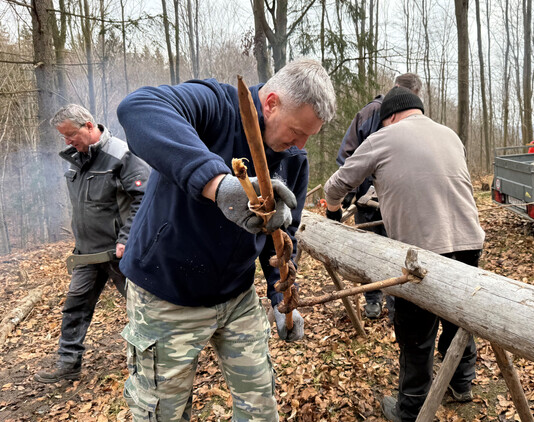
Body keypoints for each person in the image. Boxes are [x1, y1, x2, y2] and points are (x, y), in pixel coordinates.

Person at [116, 59, 336, 421]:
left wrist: (282, 295)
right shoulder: (216, 106)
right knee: (161, 414)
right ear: (271, 104)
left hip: (236, 296)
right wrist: (217, 185)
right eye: (297, 131)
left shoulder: (293, 158)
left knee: (260, 406)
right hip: (167, 294)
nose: (300, 144)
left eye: (309, 136)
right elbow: (137, 108)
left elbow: (282, 234)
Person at [324, 87, 485, 422]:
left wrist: (333, 214)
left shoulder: (384, 137)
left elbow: (334, 186)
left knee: (415, 334)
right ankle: (462, 384)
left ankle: (410, 410)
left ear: (391, 117)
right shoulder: (450, 135)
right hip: (470, 241)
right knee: (458, 317)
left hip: (421, 251)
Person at [35, 104, 150, 383]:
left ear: (89, 125)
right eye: (63, 137)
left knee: (143, 309)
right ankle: (68, 364)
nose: (67, 142)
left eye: (70, 134)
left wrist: (126, 238)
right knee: (75, 306)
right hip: (87, 254)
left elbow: (144, 199)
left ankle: (154, 364)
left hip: (119, 253)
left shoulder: (121, 154)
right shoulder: (77, 158)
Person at [334, 73, 422, 320]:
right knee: (366, 250)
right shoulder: (371, 113)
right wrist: (354, 189)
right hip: (367, 202)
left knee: (396, 253)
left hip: (397, 203)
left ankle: (396, 303)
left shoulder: (414, 121)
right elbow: (347, 156)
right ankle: (372, 300)